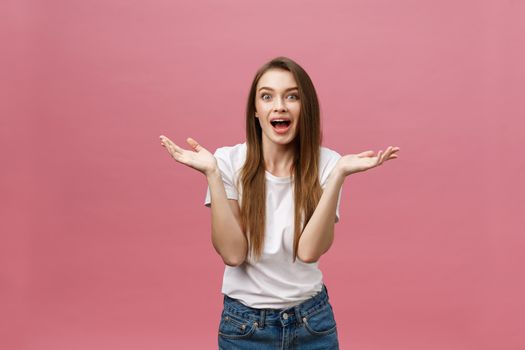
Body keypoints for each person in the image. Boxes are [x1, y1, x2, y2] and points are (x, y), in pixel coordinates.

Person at [159, 56, 400, 349]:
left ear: (305, 108)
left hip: (313, 323)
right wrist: (211, 173)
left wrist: (338, 175)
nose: (280, 106)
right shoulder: (227, 161)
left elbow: (309, 251)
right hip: (245, 327)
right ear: (256, 112)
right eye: (267, 96)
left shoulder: (328, 163)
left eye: (292, 96)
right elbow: (233, 255)